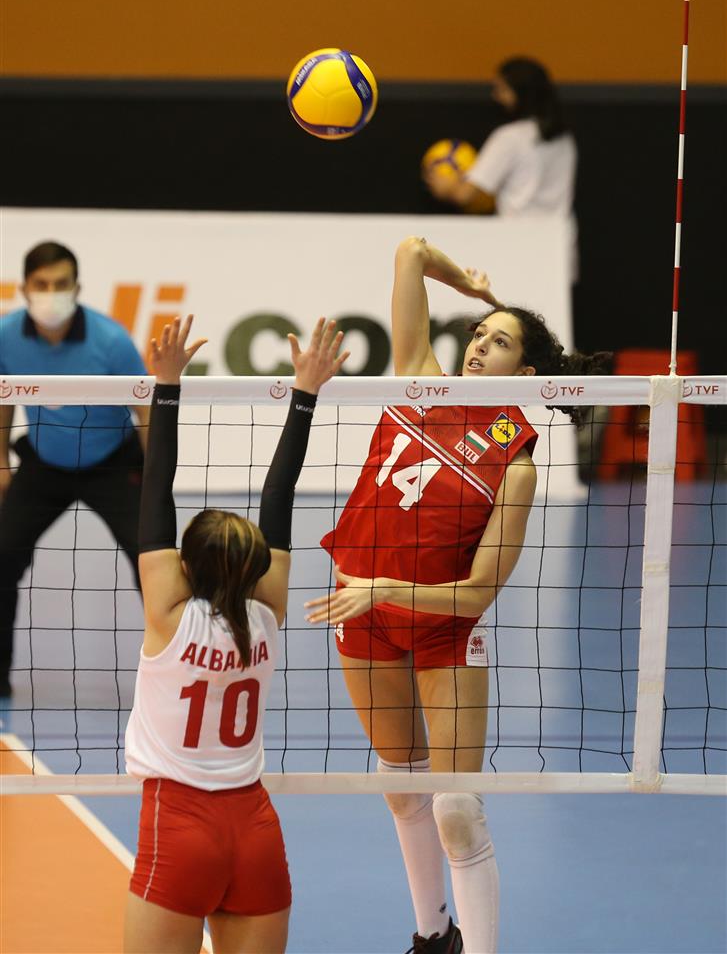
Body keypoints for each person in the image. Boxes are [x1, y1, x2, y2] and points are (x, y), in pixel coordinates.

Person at [304, 237, 610, 954]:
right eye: (478, 334)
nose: (478, 346)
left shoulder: (516, 462)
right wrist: (471, 288)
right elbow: (411, 252)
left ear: (525, 374)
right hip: (362, 613)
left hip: (439, 625)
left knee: (458, 811)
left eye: (499, 342)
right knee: (400, 787)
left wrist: (386, 587)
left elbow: (474, 596)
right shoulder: (420, 380)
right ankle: (431, 934)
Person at [124, 315, 348, 954]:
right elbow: (280, 495)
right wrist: (306, 392)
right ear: (254, 568)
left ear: (184, 566)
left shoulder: (168, 616)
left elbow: (155, 491)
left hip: (180, 827)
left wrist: (166, 385)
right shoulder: (267, 615)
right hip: (255, 831)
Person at [0, 240, 149, 697]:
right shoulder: (5, 336)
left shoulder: (112, 342)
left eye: (61, 283)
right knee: (2, 555)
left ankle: (172, 669)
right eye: (42, 284)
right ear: (25, 288)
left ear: (77, 287)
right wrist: (0, 461)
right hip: (44, 464)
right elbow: (3, 395)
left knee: (153, 558)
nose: (51, 293)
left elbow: (148, 410)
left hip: (113, 464)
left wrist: (157, 478)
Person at [423, 57, 576, 217]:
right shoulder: (565, 139)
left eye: (501, 89)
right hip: (559, 231)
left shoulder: (510, 137)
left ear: (519, 93)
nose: (495, 96)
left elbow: (464, 195)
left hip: (519, 230)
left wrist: (445, 185)